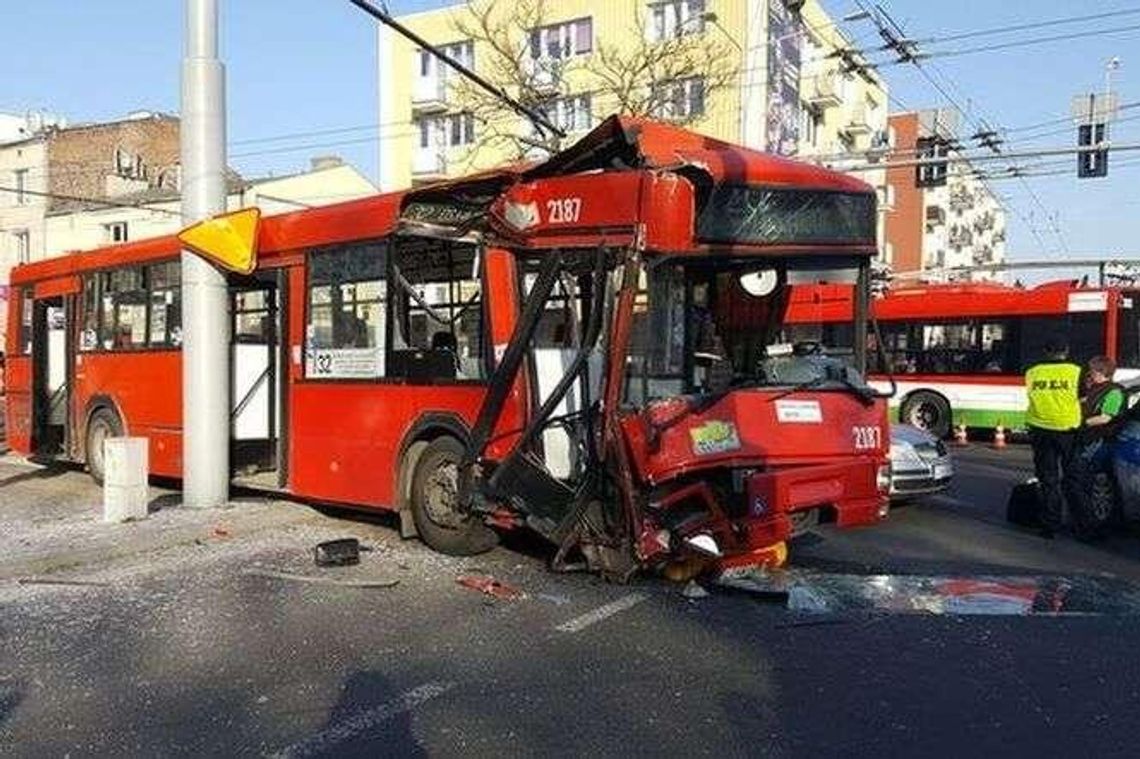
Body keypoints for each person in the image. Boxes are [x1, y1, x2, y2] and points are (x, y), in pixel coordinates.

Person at [1024, 338, 1083, 538]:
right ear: (1066, 351)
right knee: (1073, 478)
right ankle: (1081, 524)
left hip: (1040, 429)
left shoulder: (1032, 372)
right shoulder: (1076, 371)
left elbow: (1031, 396)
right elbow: (1082, 397)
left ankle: (1050, 525)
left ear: (1046, 352)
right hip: (1067, 430)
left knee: (1048, 480)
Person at [1069, 355, 1126, 538]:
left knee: (1082, 481)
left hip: (1097, 440)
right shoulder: (1095, 389)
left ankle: (1089, 524)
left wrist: (1080, 422)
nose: (1089, 373)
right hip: (1087, 439)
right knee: (1079, 481)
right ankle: (1082, 522)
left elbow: (1106, 417)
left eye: (1092, 370)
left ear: (1101, 372)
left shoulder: (1115, 392)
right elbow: (1085, 403)